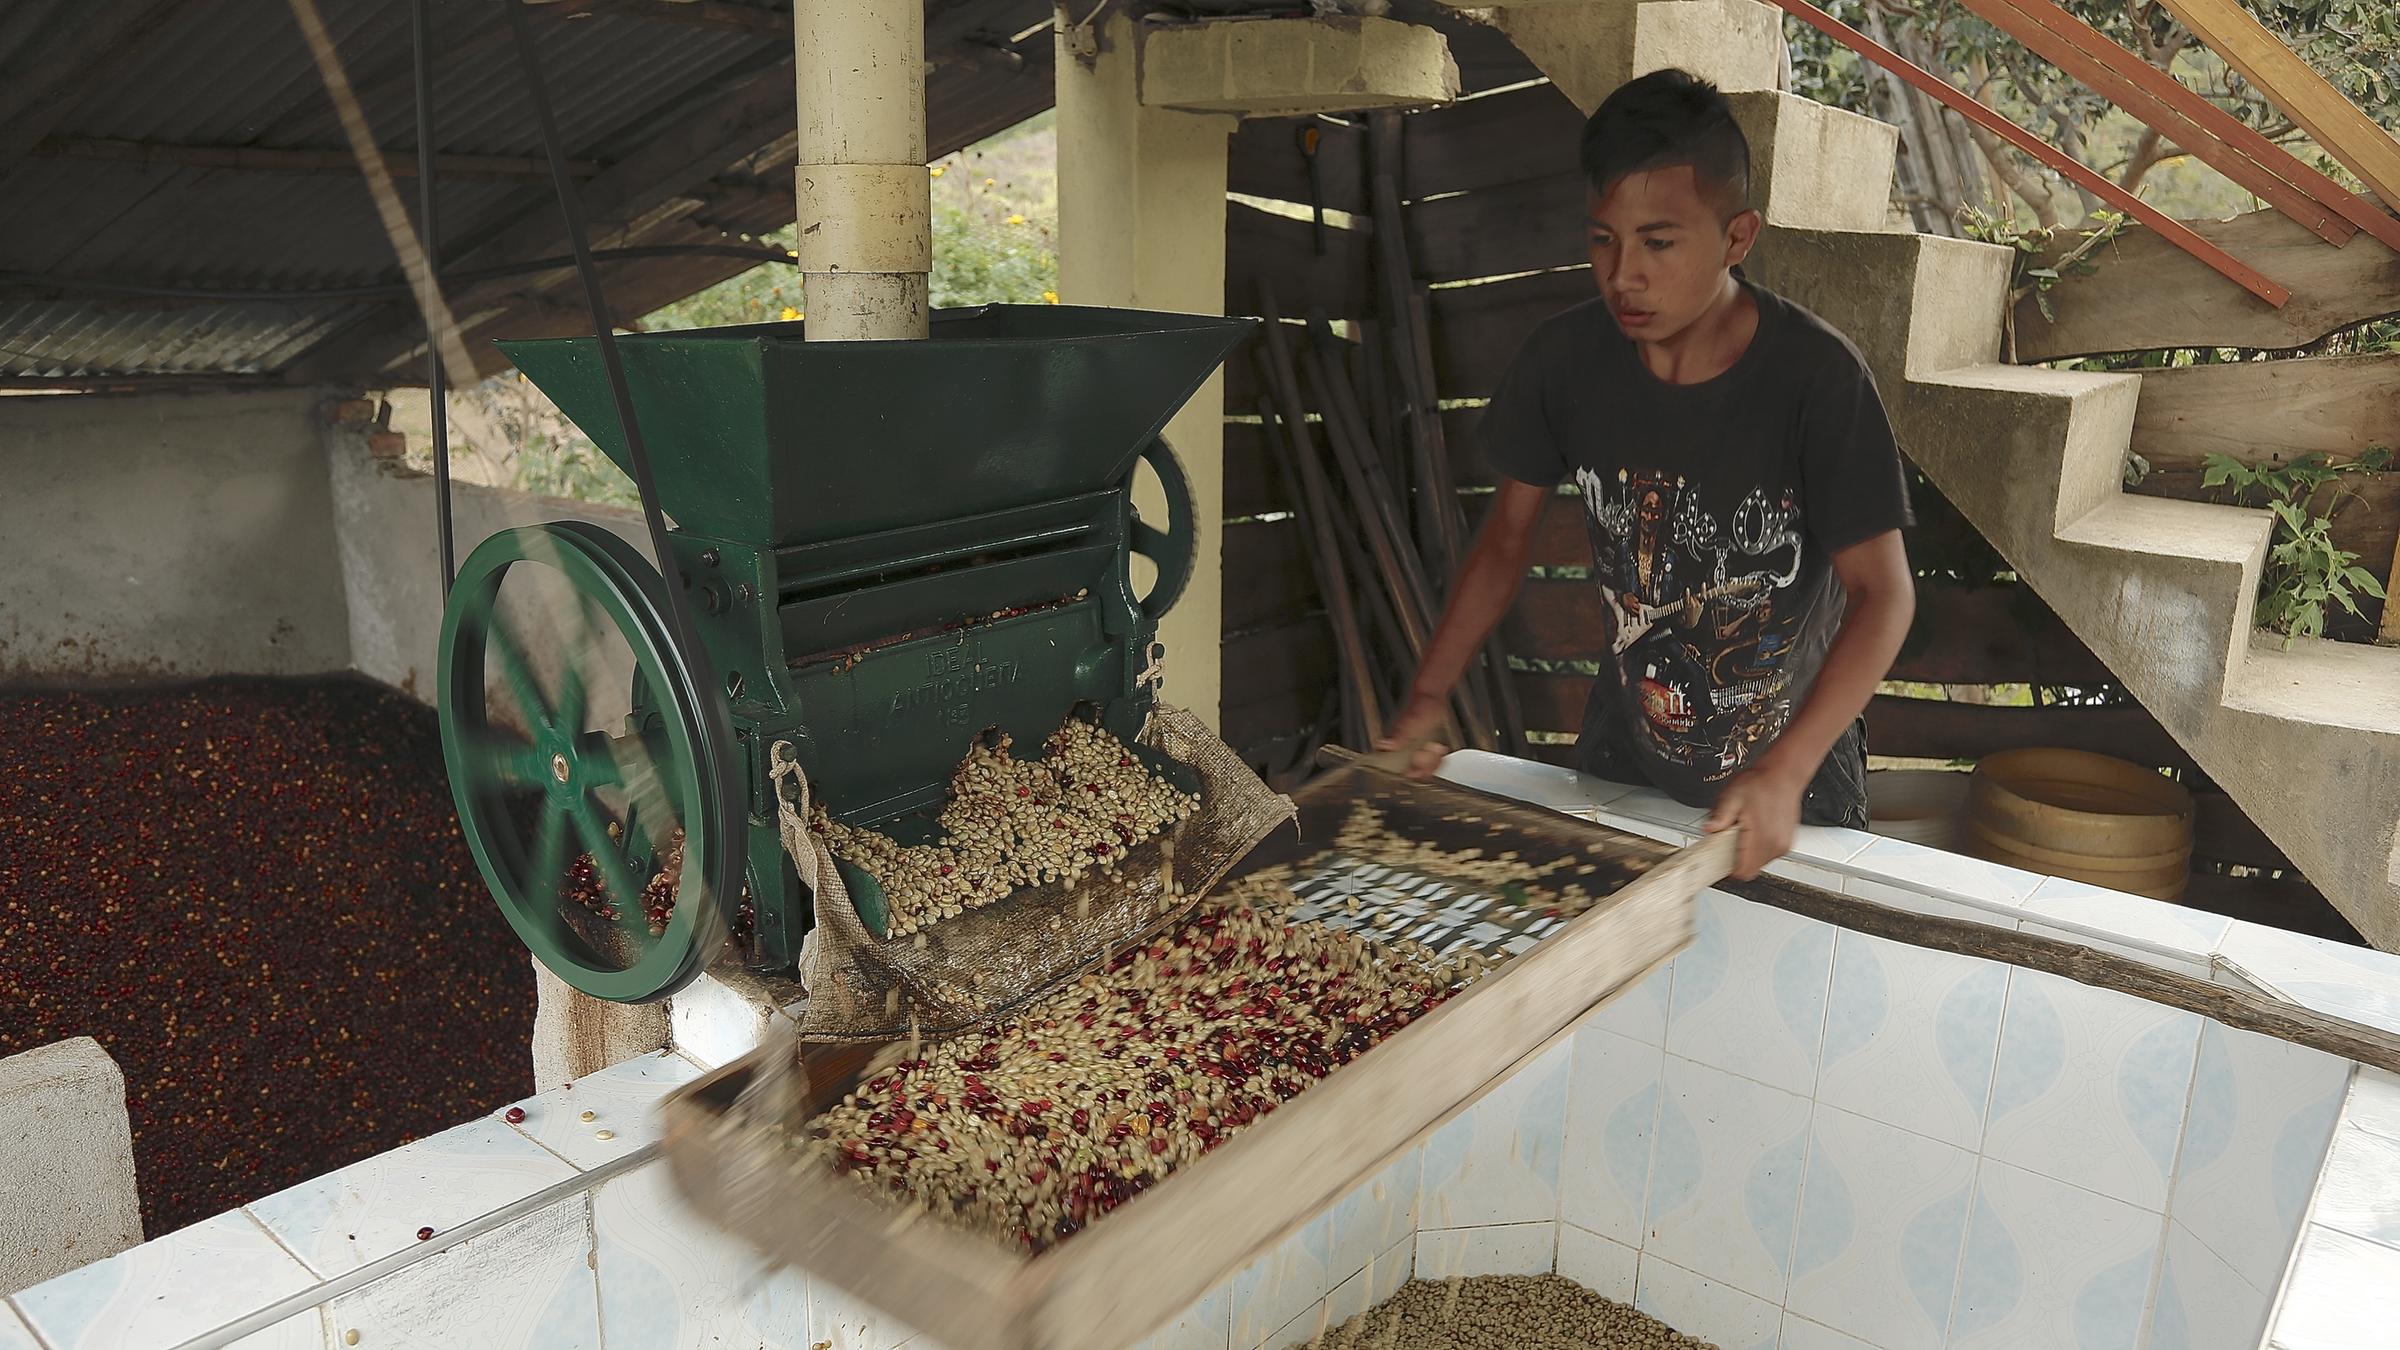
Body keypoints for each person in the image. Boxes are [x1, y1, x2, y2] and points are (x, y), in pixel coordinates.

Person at [1377, 67, 1916, 882]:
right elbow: (1504, 542)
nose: (1623, 275)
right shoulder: (1563, 362)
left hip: (1795, 763)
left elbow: (1885, 596)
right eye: (1603, 239)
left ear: (1738, 238)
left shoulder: (1817, 380)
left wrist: (1785, 772)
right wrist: (1427, 697)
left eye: (1659, 242)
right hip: (1626, 742)